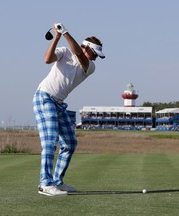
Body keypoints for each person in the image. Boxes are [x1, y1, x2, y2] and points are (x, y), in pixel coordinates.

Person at [33, 22, 105, 196]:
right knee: (50, 142)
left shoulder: (90, 66)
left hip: (58, 104)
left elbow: (80, 55)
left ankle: (57, 181)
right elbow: (47, 59)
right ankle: (45, 184)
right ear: (87, 47)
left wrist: (65, 32)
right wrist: (57, 37)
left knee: (70, 143)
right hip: (44, 97)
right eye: (94, 53)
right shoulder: (65, 51)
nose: (95, 58)